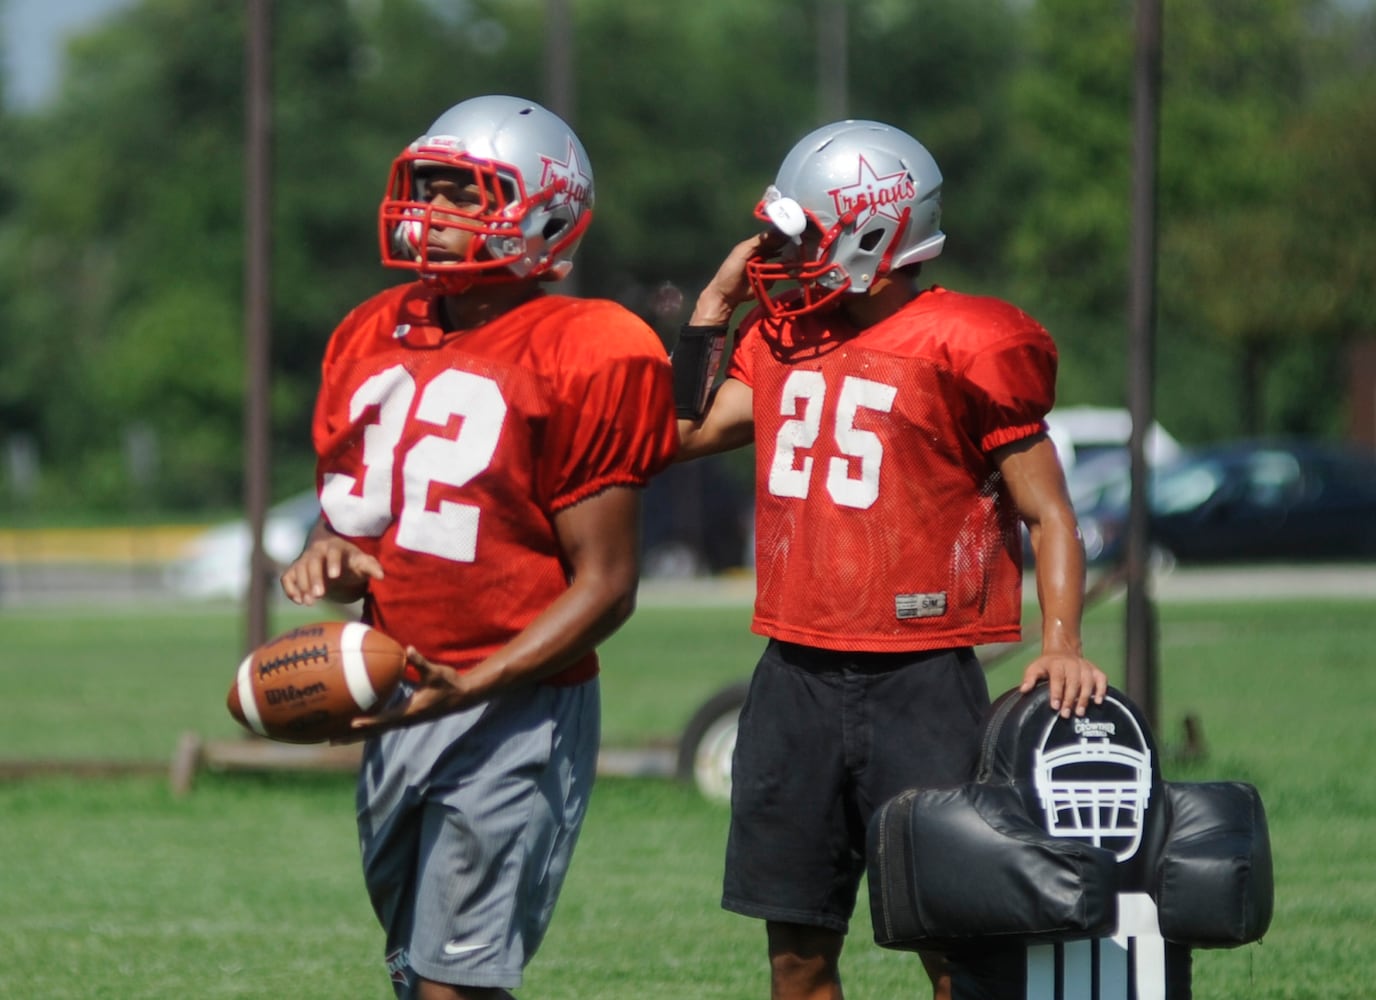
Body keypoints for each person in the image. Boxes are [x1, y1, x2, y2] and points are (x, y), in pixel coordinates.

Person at [671, 119, 1109, 1000]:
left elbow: (1050, 513)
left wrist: (1059, 639)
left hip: (921, 676)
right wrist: (713, 310)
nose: (780, 256)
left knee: (953, 942)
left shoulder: (971, 342)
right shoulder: (779, 334)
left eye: (802, 236)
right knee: (796, 953)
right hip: (792, 671)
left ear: (875, 231)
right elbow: (680, 432)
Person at [280, 95, 678, 1000]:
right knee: (416, 973)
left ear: (543, 213)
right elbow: (355, 519)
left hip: (519, 705)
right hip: (398, 692)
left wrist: (475, 681)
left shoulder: (593, 345)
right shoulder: (368, 330)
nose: (433, 210)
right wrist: (326, 552)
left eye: (467, 194)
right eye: (429, 187)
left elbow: (609, 586)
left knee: (455, 984)